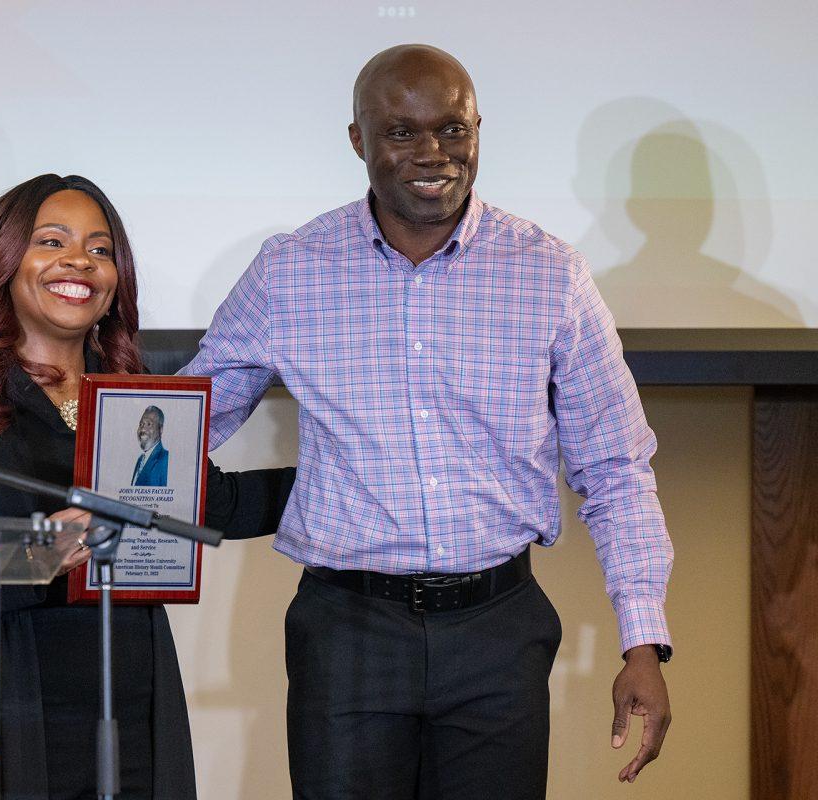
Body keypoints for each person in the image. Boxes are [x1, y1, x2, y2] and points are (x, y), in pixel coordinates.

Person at [183, 45, 673, 799]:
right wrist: (74, 432)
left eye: (453, 129)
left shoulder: (550, 274)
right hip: (346, 632)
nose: (433, 154)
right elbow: (188, 416)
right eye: (402, 133)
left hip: (499, 631)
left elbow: (615, 467)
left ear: (479, 129)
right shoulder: (291, 271)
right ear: (358, 140)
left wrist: (643, 639)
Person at [0, 174, 294, 800]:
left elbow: (215, 503)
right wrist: (32, 553)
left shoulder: (135, 398)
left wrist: (346, 475)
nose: (80, 262)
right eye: (52, 241)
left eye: (101, 250)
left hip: (128, 696)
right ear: (4, 259)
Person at [132, 405, 169, 486]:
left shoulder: (166, 459)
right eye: (141, 424)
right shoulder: (140, 460)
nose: (143, 429)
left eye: (149, 424)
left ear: (161, 429)